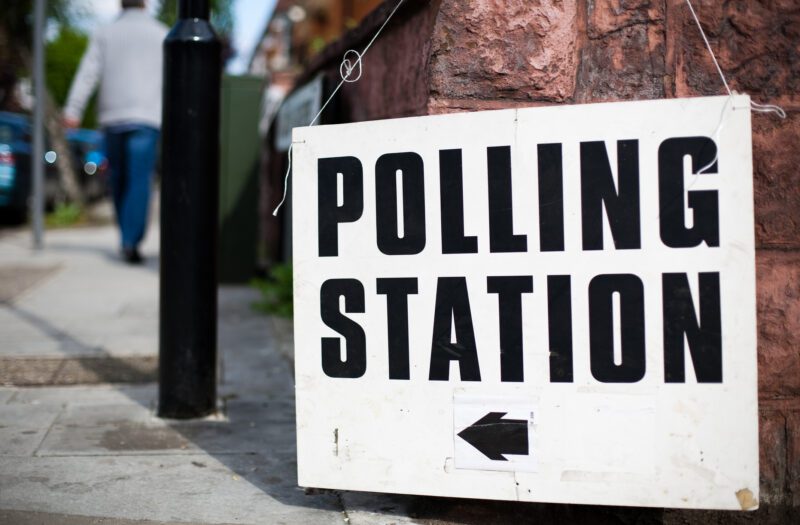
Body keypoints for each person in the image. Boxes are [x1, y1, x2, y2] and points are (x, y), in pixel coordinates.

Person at [64, 0, 167, 264]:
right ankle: (131, 240)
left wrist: (73, 109)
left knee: (118, 180)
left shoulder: (105, 33)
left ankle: (126, 237)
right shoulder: (161, 33)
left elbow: (88, 72)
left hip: (113, 118)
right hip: (147, 117)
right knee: (139, 180)